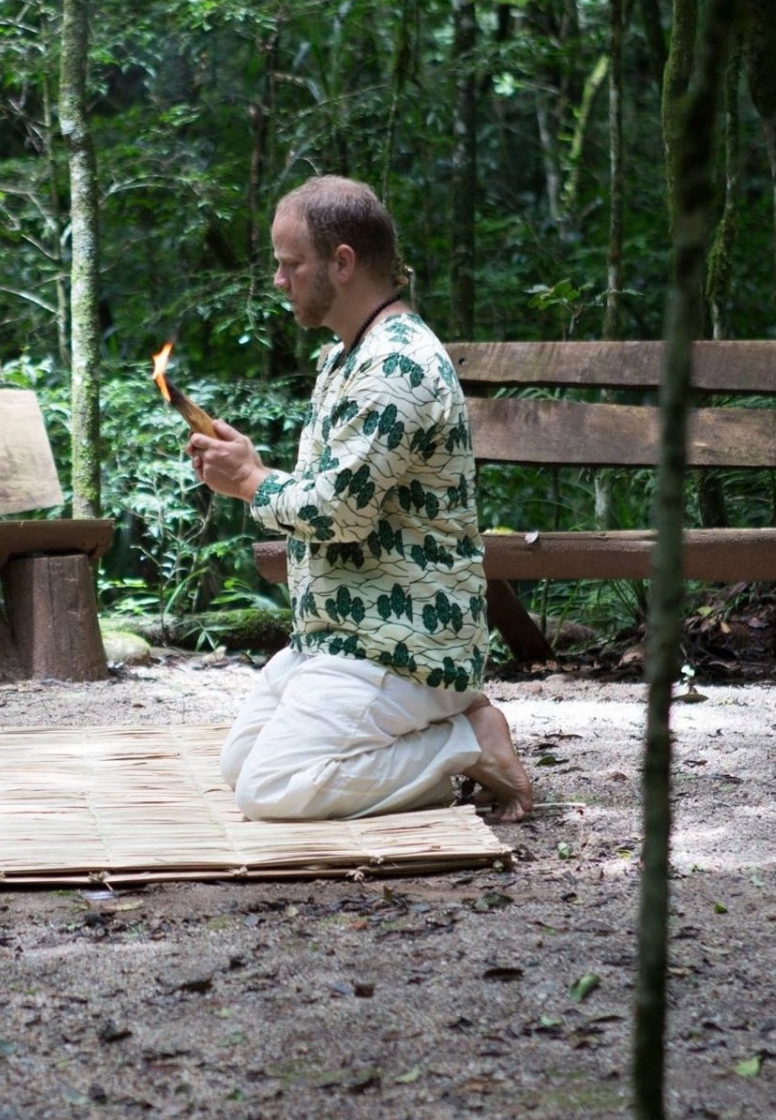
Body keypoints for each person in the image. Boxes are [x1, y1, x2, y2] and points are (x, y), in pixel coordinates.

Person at [187, 175, 532, 824]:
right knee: (242, 767)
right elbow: (334, 490)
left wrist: (253, 483)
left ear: (341, 263)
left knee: (272, 788)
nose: (278, 280)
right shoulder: (344, 359)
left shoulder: (397, 366)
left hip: (397, 642)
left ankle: (465, 739)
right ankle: (439, 751)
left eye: (291, 265)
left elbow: (339, 514)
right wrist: (251, 469)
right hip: (335, 636)